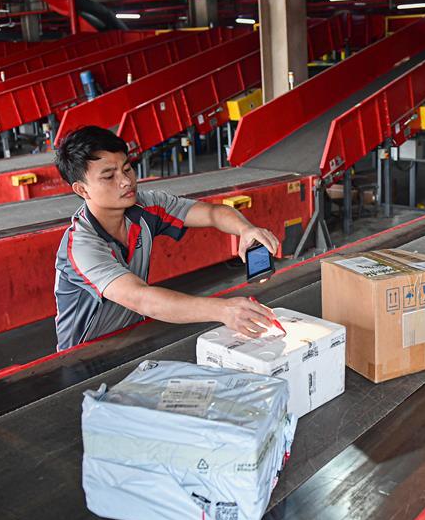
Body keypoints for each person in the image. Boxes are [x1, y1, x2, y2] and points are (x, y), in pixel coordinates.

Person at [52, 126, 279, 351]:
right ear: (82, 190)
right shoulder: (81, 246)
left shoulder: (146, 206)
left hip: (132, 338)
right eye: (109, 176)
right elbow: (142, 298)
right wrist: (223, 311)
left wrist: (245, 229)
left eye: (127, 168)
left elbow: (212, 213)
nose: (126, 181)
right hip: (83, 356)